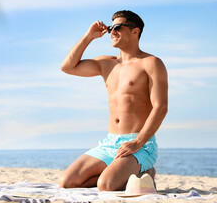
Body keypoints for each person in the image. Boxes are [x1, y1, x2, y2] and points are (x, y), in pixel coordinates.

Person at [59, 10, 168, 191]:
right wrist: (89, 36)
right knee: (67, 183)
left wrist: (138, 142)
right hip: (109, 142)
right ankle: (121, 173)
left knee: (107, 185)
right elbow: (67, 67)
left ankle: (147, 172)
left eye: (117, 27)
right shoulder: (106, 64)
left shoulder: (151, 63)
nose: (112, 32)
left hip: (140, 143)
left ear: (135, 31)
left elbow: (161, 107)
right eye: (110, 28)